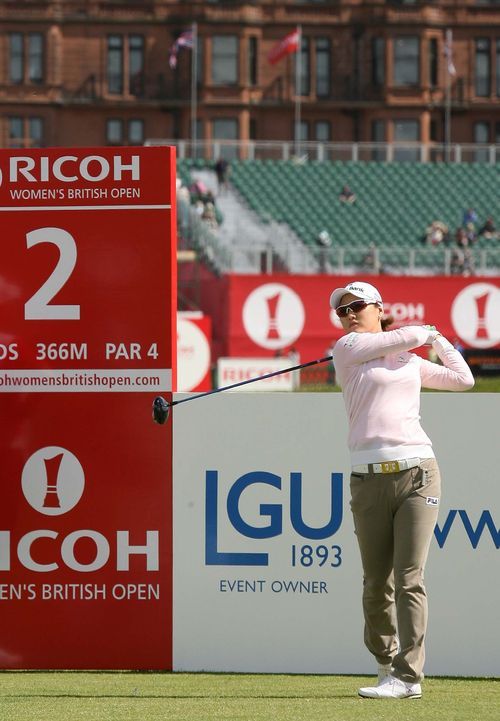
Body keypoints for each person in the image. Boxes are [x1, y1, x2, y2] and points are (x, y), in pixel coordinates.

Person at [329, 280, 474, 700]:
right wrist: (424, 330)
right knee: (377, 583)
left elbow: (463, 379)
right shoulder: (347, 349)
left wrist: (439, 340)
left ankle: (408, 676)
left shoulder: (409, 361)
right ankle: (385, 664)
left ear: (379, 308)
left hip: (418, 473)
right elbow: (404, 336)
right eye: (342, 310)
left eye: (357, 306)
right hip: (368, 477)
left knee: (410, 577)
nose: (349, 314)